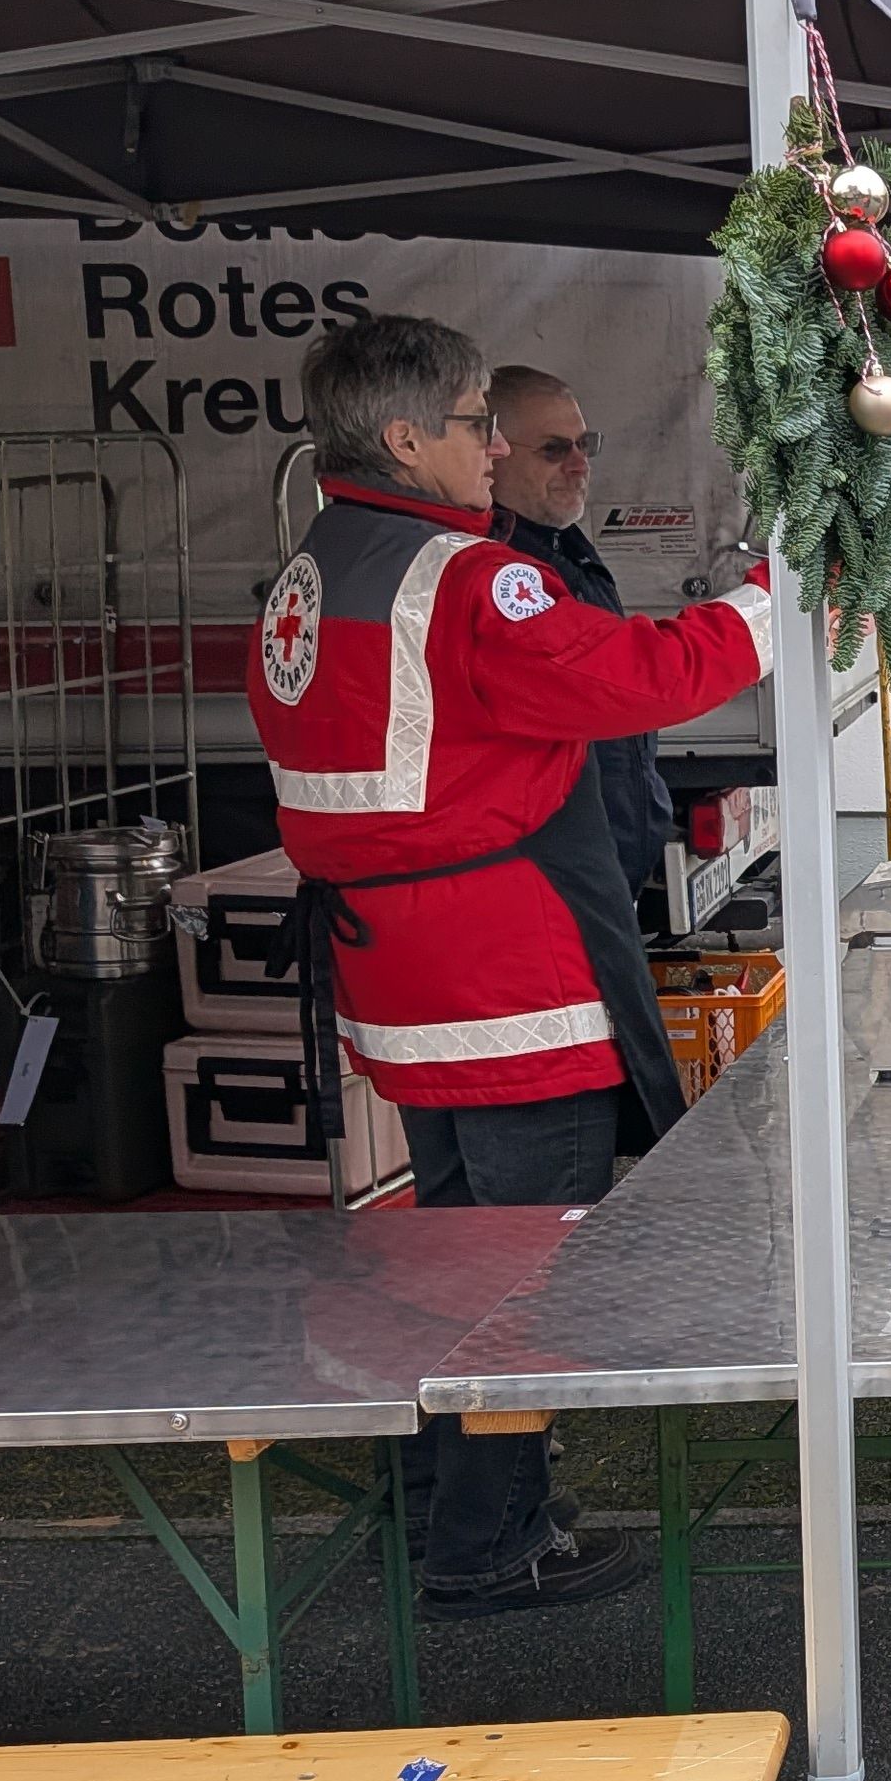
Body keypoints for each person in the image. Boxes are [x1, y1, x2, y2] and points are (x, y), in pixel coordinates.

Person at [254, 314, 776, 1610]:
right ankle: (493, 1544)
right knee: (529, 1273)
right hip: (510, 985)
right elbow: (635, 677)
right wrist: (773, 603)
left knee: (442, 1264)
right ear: (405, 437)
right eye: (476, 422)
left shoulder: (314, 569)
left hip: (404, 985)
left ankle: (438, 1500)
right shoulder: (466, 580)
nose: (492, 446)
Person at [487, 366, 676, 890]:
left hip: (612, 861)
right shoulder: (496, 570)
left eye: (584, 445)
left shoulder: (565, 546)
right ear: (493, 452)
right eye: (553, 450)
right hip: (555, 878)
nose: (579, 464)